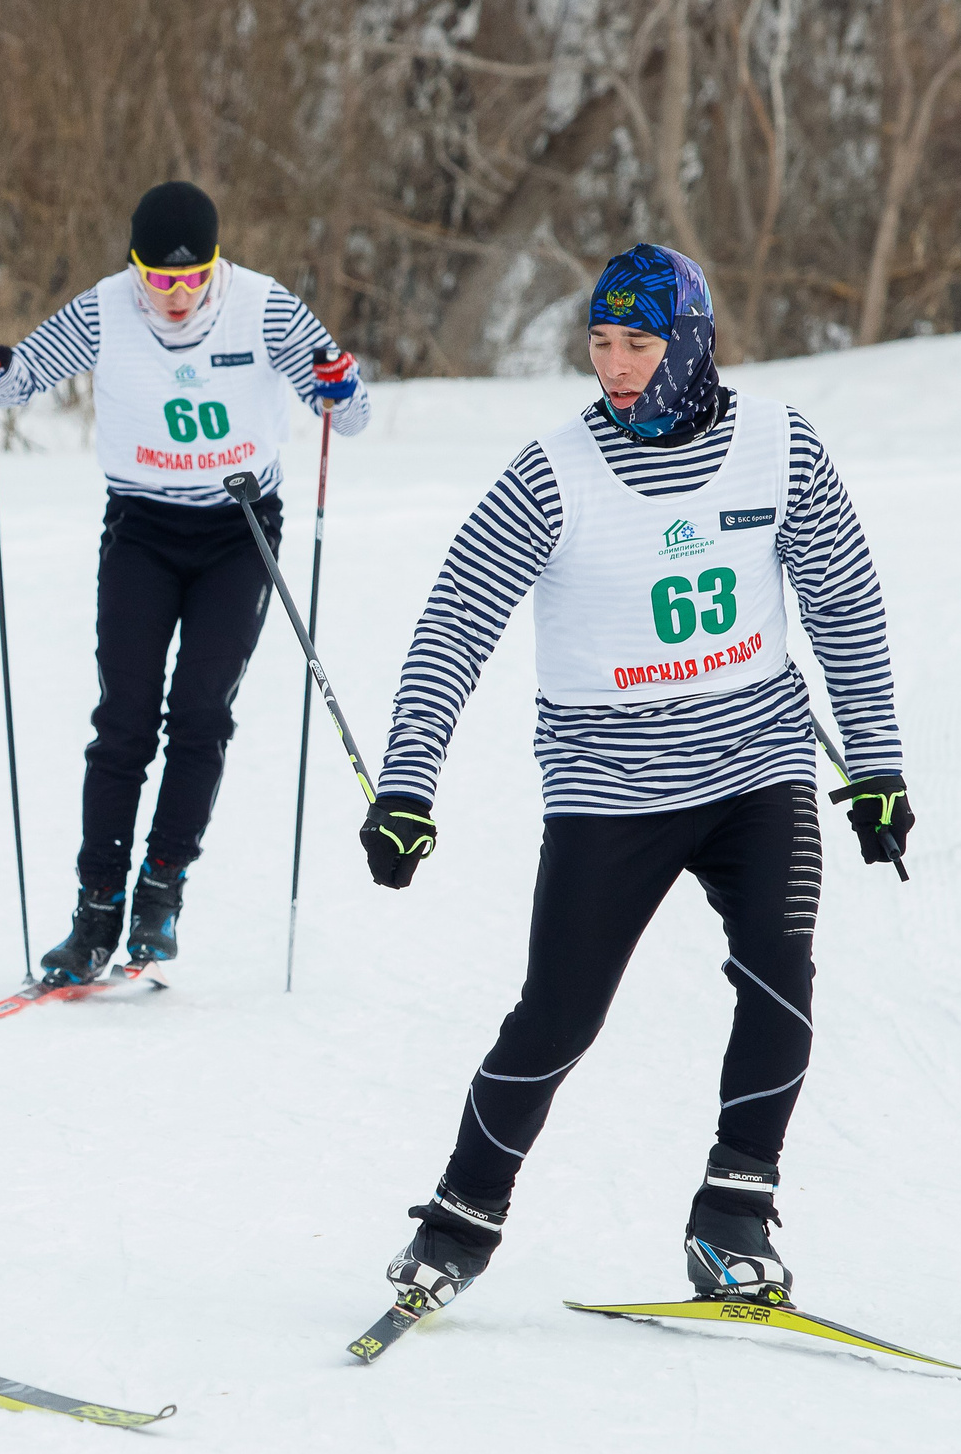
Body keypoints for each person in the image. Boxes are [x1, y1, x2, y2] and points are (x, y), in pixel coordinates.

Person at [360, 243, 908, 1317]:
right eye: (601, 344)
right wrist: (406, 783)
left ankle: (732, 1218)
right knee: (557, 1017)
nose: (615, 368)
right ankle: (459, 1219)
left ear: (691, 342)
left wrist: (877, 763)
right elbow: (452, 625)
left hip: (760, 770)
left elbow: (843, 602)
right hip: (610, 789)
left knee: (778, 976)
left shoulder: (778, 448)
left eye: (639, 345)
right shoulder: (551, 472)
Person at [0, 179, 369, 976]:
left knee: (200, 714)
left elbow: (348, 413)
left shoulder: (264, 307)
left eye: (191, 278)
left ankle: (161, 888)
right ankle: (96, 910)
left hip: (239, 527)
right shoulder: (105, 309)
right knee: (123, 721)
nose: (175, 295)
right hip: (143, 526)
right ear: (135, 268)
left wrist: (340, 387)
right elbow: (16, 382)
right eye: (158, 278)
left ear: (216, 266)